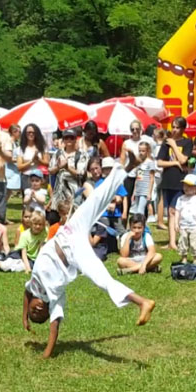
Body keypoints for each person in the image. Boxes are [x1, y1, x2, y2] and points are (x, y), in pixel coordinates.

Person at [22, 157, 155, 359]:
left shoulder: (33, 286)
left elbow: (25, 294)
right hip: (74, 254)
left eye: (34, 311)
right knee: (102, 279)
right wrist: (46, 354)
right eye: (40, 314)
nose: (38, 310)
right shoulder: (55, 299)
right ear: (48, 311)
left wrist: (25, 318)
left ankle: (128, 166)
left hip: (69, 231)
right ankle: (142, 302)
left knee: (97, 198)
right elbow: (54, 327)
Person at [157, 117, 192, 250]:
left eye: (178, 127)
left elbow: (183, 160)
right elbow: (159, 162)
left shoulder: (187, 142)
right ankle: (171, 241)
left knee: (175, 210)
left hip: (180, 180)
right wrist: (174, 163)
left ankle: (178, 240)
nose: (175, 130)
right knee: (170, 211)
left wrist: (174, 145)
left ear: (183, 129)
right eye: (173, 127)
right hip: (167, 180)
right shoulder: (166, 143)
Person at [49, 129, 84, 211]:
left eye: (71, 138)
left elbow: (81, 174)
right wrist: (58, 167)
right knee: (56, 216)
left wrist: (67, 168)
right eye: (66, 137)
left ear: (75, 139)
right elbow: (50, 171)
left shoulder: (81, 155)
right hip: (58, 194)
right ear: (63, 140)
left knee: (72, 215)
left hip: (74, 193)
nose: (69, 140)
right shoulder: (57, 153)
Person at [175, 174, 196, 265]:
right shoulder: (180, 199)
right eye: (185, 186)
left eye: (189, 186)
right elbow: (177, 211)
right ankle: (184, 258)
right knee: (183, 241)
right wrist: (176, 223)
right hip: (183, 225)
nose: (186, 188)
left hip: (194, 225)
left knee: (195, 242)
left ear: (195, 188)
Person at [129, 139, 156, 221]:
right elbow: (138, 178)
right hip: (138, 189)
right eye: (140, 150)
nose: (141, 153)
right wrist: (134, 192)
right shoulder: (139, 162)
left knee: (140, 210)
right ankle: (140, 224)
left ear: (147, 151)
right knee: (136, 210)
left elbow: (152, 178)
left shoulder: (150, 162)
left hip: (145, 190)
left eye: (143, 151)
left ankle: (140, 224)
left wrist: (149, 193)